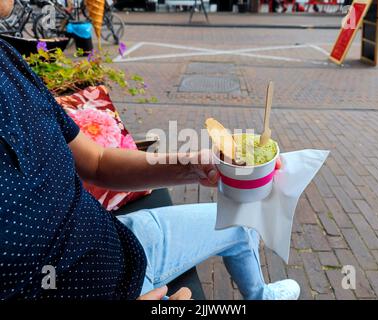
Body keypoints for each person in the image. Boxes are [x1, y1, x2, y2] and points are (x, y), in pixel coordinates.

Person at [0, 0, 300, 300]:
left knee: (242, 225)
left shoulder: (8, 60)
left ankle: (261, 295)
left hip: (123, 239)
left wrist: (193, 166)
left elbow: (97, 162)